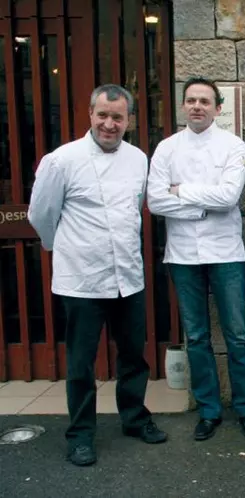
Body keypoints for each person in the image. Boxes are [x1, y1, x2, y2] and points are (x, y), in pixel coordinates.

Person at [28, 84, 167, 467]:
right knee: (81, 363)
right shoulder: (62, 160)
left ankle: (135, 418)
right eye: (103, 115)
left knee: (133, 357)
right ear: (90, 114)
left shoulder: (139, 158)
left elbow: (138, 207)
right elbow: (40, 215)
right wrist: (67, 248)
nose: (110, 124)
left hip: (128, 275)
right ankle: (80, 435)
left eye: (118, 117)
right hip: (82, 279)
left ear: (129, 120)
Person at [147, 77, 245, 441]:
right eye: (191, 100)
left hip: (225, 252)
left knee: (238, 335)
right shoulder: (166, 148)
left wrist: (181, 192)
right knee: (196, 335)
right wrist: (200, 206)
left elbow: (229, 197)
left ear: (218, 107)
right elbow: (155, 201)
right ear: (183, 106)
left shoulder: (232, 146)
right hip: (182, 255)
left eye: (205, 101)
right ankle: (209, 410)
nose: (197, 106)